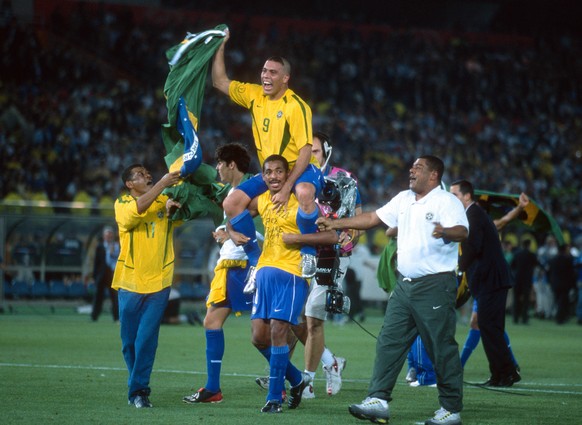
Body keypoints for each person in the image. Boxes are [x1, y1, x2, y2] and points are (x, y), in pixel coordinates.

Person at [317, 155, 468, 425]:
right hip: (405, 285)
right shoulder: (404, 198)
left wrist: (445, 231)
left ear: (433, 175)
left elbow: (462, 231)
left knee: (440, 347)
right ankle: (378, 400)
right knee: (389, 342)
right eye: (411, 167)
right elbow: (373, 218)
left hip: (435, 284)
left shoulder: (447, 201)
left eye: (418, 168)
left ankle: (450, 409)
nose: (411, 171)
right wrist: (336, 223)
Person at [211, 28, 323, 281]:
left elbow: (306, 149)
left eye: (273, 72)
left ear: (285, 78)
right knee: (231, 204)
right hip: (270, 171)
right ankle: (254, 258)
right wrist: (220, 45)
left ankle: (307, 250)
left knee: (304, 192)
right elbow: (219, 81)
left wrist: (287, 188)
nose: (266, 76)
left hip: (300, 167)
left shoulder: (296, 106)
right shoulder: (254, 95)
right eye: (264, 71)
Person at [247, 154, 337, 413]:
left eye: (279, 171)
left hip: (292, 274)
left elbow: (332, 234)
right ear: (263, 176)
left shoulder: (304, 202)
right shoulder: (262, 200)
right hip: (264, 273)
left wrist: (297, 238)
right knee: (258, 338)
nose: (273, 176)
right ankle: (297, 380)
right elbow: (233, 211)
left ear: (288, 175)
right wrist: (230, 230)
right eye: (268, 172)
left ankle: (275, 398)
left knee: (278, 331)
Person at [182, 143, 262, 404]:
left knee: (263, 335)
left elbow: (257, 217)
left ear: (231, 165)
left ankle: (296, 379)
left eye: (220, 163)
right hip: (229, 266)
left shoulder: (253, 186)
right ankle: (212, 388)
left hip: (247, 266)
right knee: (212, 323)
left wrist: (228, 232)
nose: (216, 168)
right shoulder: (231, 191)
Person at [112, 164, 182, 408]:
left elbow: (183, 216)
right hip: (130, 281)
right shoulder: (122, 204)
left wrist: (176, 210)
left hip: (159, 281)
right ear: (130, 184)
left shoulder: (164, 199)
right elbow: (134, 215)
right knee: (129, 342)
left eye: (147, 173)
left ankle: (139, 390)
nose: (148, 176)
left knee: (146, 339)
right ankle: (136, 383)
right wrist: (163, 184)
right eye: (140, 175)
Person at [450, 180, 521, 388]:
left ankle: (505, 373)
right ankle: (503, 373)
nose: (451, 199)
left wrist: (459, 267)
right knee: (491, 327)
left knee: (490, 326)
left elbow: (473, 246)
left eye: (454, 195)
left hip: (491, 280)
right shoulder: (472, 215)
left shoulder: (473, 215)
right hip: (490, 280)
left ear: (467, 196)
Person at [458, 193, 529, 369]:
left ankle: (460, 365)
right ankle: (510, 363)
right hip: (477, 280)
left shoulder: (488, 225)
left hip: (489, 280)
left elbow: (504, 220)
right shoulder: (466, 226)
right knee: (489, 323)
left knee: (481, 322)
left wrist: (520, 207)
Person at [91, 225, 120, 322]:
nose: (109, 237)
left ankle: (116, 317)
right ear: (104, 236)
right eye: (107, 235)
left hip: (112, 275)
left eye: (110, 235)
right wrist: (95, 276)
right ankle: (94, 316)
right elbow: (96, 262)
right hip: (101, 275)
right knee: (98, 297)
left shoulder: (117, 246)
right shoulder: (100, 246)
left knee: (114, 297)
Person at [511, 239, 539, 324]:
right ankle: (524, 318)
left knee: (516, 299)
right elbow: (537, 264)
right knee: (526, 300)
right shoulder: (531, 255)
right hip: (527, 280)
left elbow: (512, 265)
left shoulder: (517, 254)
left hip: (517, 279)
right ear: (529, 245)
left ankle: (515, 317)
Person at [548, 243, 577, 324]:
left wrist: (550, 281)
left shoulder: (553, 259)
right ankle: (561, 317)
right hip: (565, 284)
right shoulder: (568, 259)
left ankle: (559, 316)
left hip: (555, 283)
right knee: (563, 300)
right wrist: (573, 284)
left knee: (557, 300)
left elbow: (549, 271)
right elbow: (571, 273)